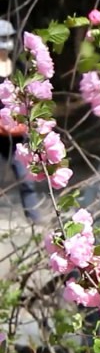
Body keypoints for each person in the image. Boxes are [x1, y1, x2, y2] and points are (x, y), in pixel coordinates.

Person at [0, 19, 42, 222]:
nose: (5, 43)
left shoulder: (18, 67)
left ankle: (33, 218)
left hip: (17, 135)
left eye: (8, 38)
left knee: (26, 178)